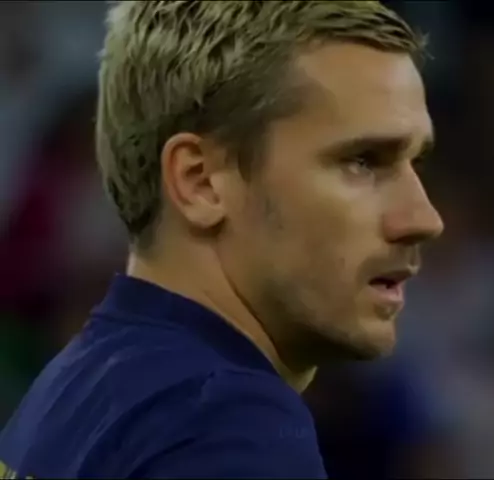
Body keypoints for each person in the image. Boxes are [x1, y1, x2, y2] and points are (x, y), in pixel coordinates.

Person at [0, 0, 443, 478]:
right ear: (201, 181)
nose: (424, 218)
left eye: (416, 163)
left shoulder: (73, 385)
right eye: (363, 161)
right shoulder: (231, 430)